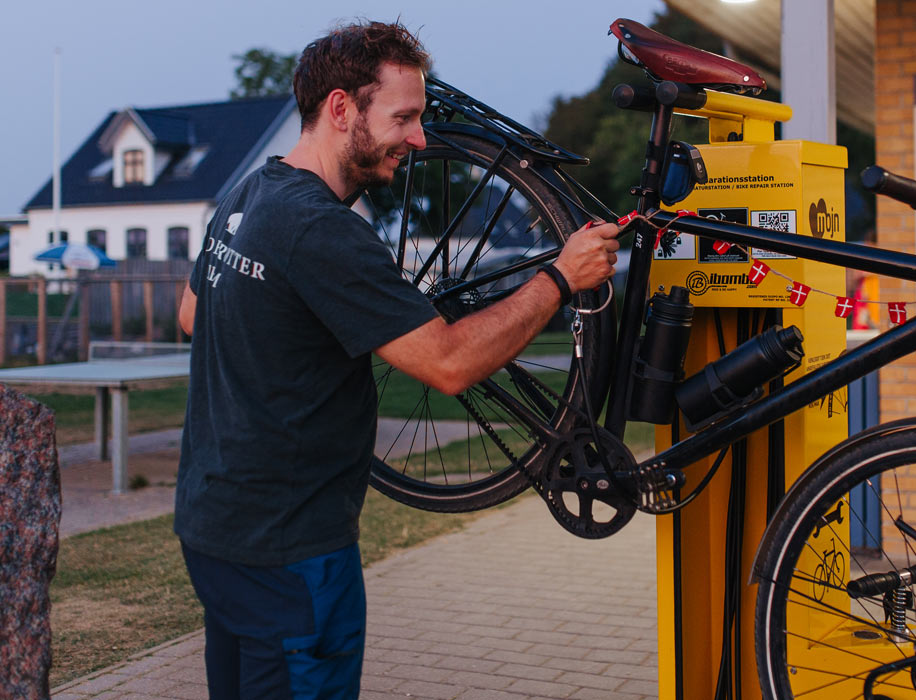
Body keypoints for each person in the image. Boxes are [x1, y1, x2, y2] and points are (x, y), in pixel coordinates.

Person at [174, 20, 620, 700]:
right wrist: (560, 278)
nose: (418, 138)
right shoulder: (321, 229)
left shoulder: (251, 192)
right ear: (341, 109)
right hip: (292, 551)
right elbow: (448, 366)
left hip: (213, 527)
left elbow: (192, 314)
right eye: (404, 117)